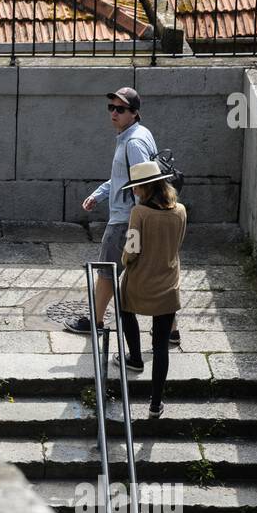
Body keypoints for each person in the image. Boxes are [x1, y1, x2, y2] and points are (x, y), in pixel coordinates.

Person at [66, 86, 181, 347]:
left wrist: (138, 221)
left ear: (134, 113)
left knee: (107, 270)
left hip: (125, 220)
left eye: (120, 109)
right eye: (111, 107)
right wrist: (99, 194)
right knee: (148, 271)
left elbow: (146, 183)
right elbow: (122, 178)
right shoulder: (137, 134)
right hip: (129, 216)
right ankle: (171, 330)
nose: (113, 113)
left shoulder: (134, 143)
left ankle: (95, 321)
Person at [117, 160, 187, 419]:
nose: (134, 191)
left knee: (124, 309)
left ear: (146, 187)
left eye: (136, 187)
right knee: (160, 346)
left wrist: (124, 260)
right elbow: (178, 242)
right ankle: (156, 404)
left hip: (141, 281)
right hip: (169, 283)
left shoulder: (140, 213)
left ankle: (134, 357)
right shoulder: (180, 210)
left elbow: (132, 248)